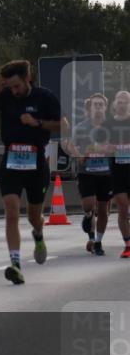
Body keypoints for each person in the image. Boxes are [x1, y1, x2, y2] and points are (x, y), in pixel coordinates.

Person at [0, 59, 64, 285]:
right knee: (12, 211)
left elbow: (63, 125)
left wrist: (38, 123)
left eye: (17, 86)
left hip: (36, 163)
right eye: (10, 86)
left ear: (28, 79)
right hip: (11, 161)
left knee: (34, 216)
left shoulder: (44, 97)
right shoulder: (4, 96)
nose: (14, 91)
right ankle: (15, 264)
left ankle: (38, 234)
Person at [63, 93, 113, 255]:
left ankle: (97, 241)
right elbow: (71, 145)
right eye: (95, 105)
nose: (98, 107)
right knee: (89, 204)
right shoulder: (81, 128)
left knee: (103, 209)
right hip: (87, 172)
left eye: (101, 105)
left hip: (106, 173)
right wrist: (79, 156)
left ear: (105, 108)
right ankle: (88, 215)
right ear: (89, 108)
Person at [106, 90, 130, 258]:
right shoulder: (108, 124)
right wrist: (111, 148)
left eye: (125, 102)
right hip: (117, 172)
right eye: (119, 102)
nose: (122, 104)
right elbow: (101, 145)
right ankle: (128, 244)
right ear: (114, 104)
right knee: (122, 208)